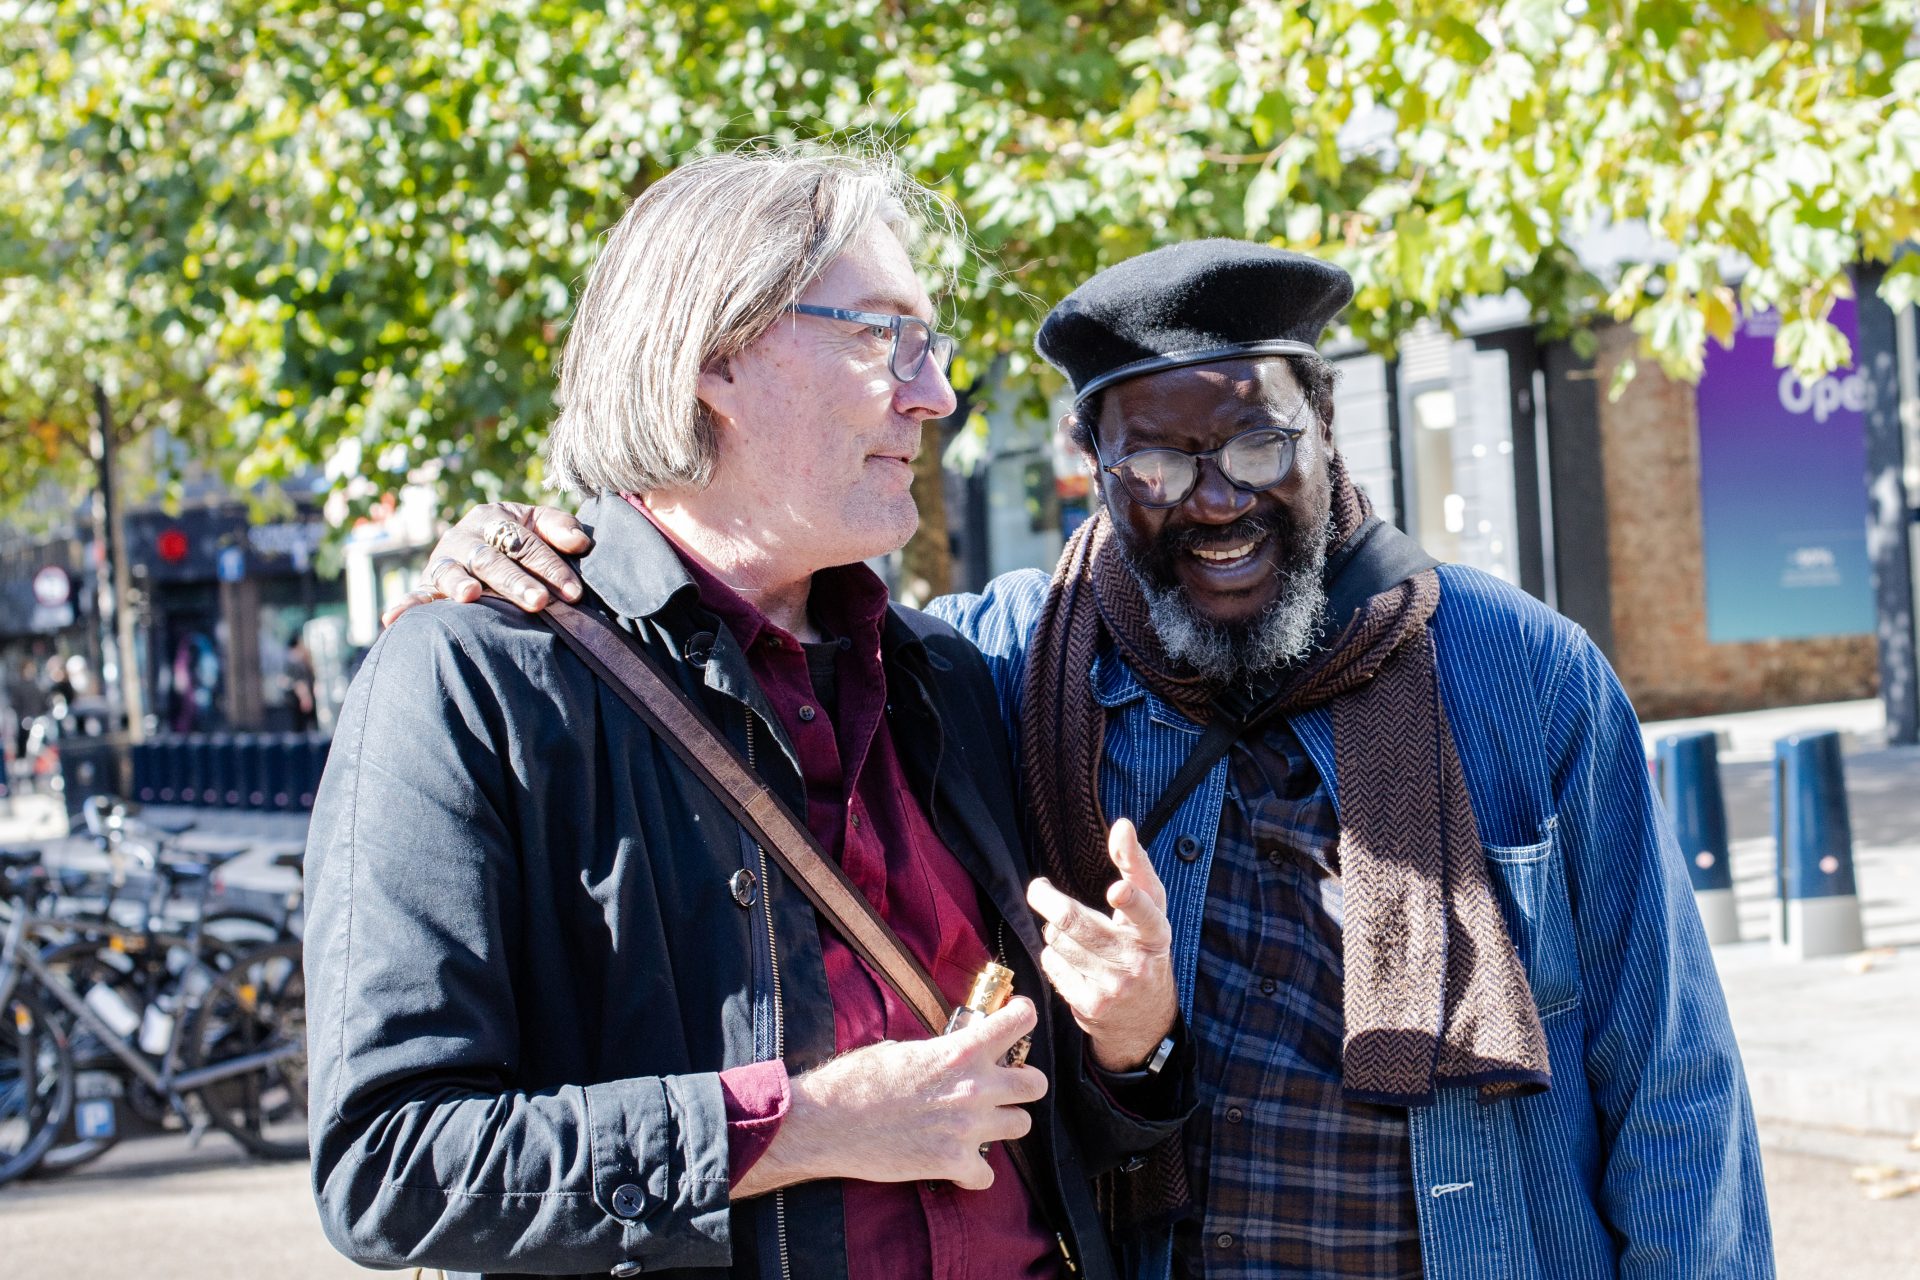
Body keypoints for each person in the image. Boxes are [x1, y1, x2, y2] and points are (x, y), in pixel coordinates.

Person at [423, 240, 1775, 1278]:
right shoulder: (990, 670)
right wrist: (528, 556)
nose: (1221, 496)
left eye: (1261, 440)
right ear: (1090, 465)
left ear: (1326, 430)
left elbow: (1672, 1082)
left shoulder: (1521, 675)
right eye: (1162, 460)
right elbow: (743, 643)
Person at [304, 149, 1191, 1280]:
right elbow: (389, 1166)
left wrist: (1131, 1038)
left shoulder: (944, 679)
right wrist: (797, 1123)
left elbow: (1033, 1127)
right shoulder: (477, 677)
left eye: (933, 345)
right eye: (888, 337)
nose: (935, 392)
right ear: (716, 354)